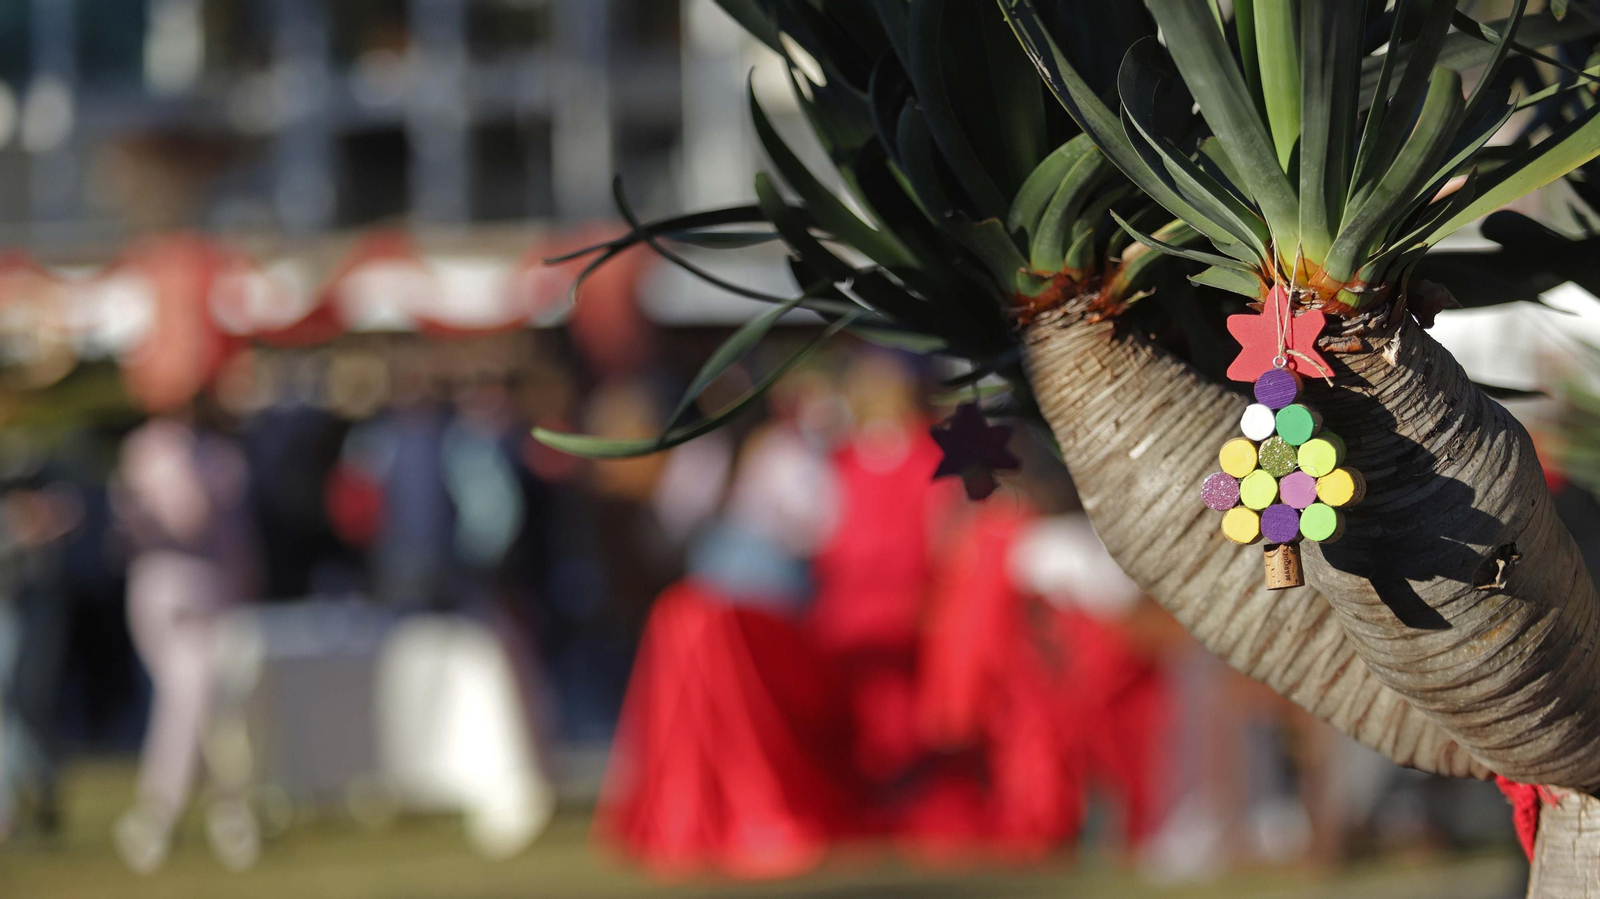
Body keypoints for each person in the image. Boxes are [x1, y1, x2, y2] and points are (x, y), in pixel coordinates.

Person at [111, 413, 261, 873]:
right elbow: (181, 518)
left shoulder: (221, 454)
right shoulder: (149, 449)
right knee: (189, 697)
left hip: (216, 591)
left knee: (206, 702)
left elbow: (237, 539)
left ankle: (196, 812)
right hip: (166, 589)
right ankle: (190, 811)